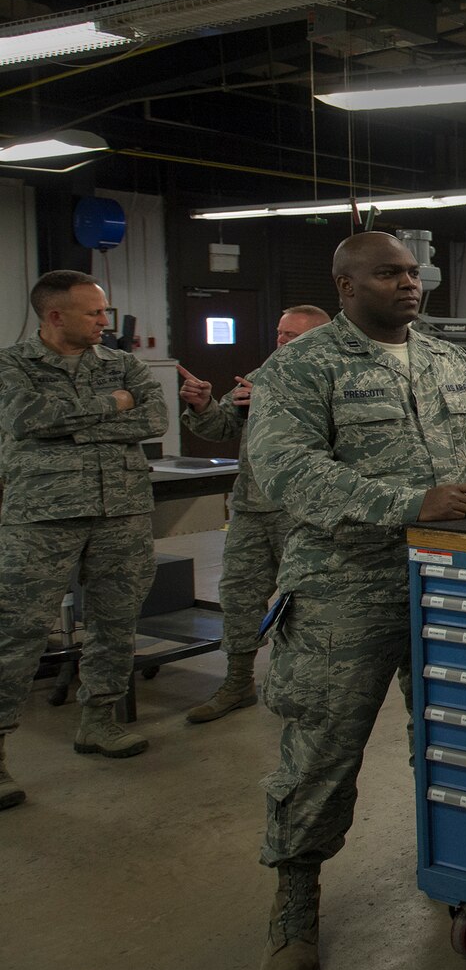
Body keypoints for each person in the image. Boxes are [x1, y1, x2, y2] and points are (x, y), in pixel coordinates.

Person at [248, 232, 466, 970]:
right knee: (324, 752)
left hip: (449, 579)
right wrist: (407, 504)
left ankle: (456, 867)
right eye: (389, 273)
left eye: (413, 272)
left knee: (450, 737)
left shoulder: (449, 360)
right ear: (345, 284)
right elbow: (287, 471)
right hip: (345, 588)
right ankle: (295, 906)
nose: (409, 284)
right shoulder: (301, 367)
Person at [0, 270, 168, 810]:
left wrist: (73, 426)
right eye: (94, 313)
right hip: (42, 516)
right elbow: (27, 418)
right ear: (54, 316)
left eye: (104, 311)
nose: (104, 321)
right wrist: (113, 408)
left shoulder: (121, 364)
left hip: (121, 510)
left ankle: (98, 722)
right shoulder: (13, 366)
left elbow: (157, 416)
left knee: (115, 623)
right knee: (17, 630)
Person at [176, 304, 331, 722]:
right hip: (251, 507)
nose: (282, 342)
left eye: (292, 337)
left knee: (306, 601)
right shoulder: (260, 377)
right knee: (240, 595)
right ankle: (238, 681)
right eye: (280, 334)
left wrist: (271, 405)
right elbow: (222, 428)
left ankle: (308, 687)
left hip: (301, 512)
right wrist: (206, 406)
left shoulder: (335, 379)